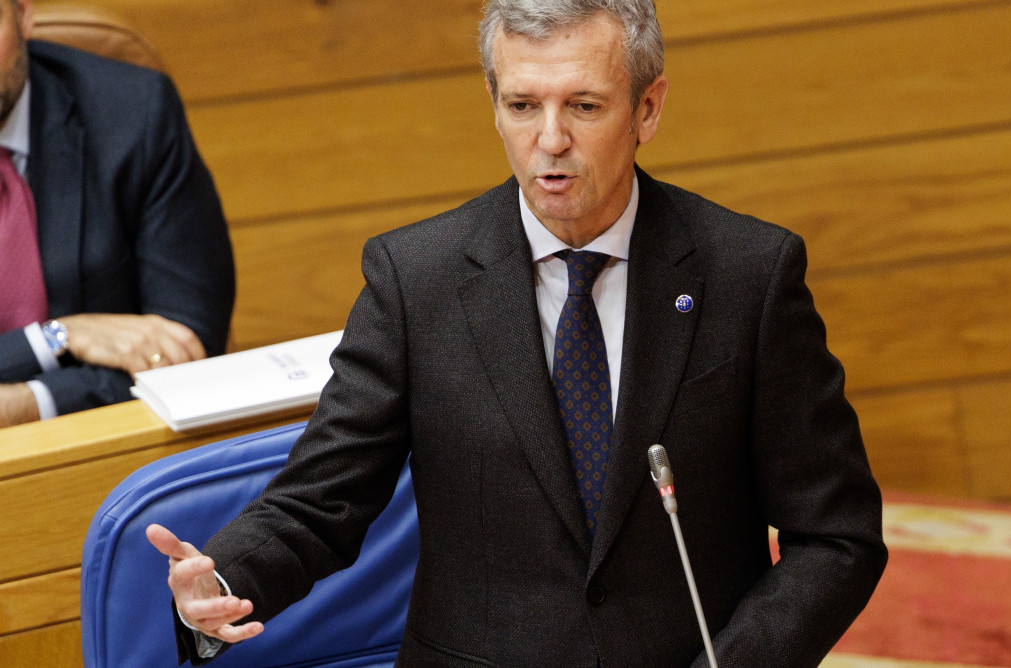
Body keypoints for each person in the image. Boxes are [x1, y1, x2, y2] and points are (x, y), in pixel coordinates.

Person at [148, 0, 886, 665]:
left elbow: (836, 535)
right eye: (523, 104)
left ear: (647, 109)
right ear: (494, 105)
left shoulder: (749, 275)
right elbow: (322, 498)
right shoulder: (416, 280)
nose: (550, 140)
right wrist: (221, 579)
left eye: (585, 106)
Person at [0, 0, 235, 427]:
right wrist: (56, 338)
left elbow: (189, 343)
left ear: (23, 16)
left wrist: (26, 403)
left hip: (113, 451)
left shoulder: (134, 113)